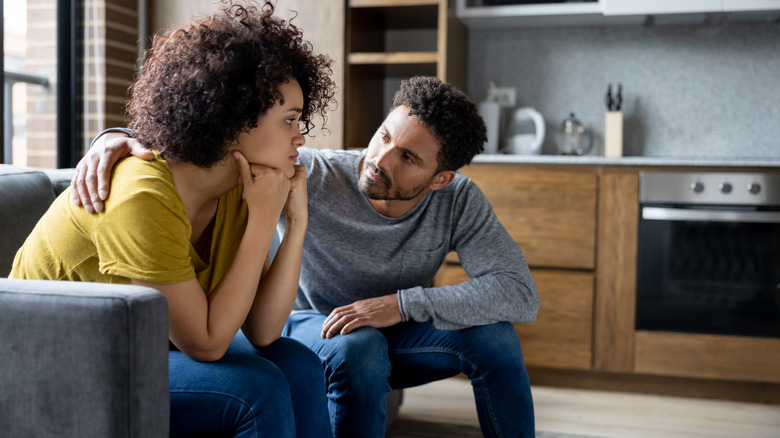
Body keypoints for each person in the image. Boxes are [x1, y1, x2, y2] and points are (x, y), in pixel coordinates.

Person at [75, 76, 540, 437]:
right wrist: (114, 138)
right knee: (359, 348)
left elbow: (519, 293)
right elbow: (205, 141)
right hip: (311, 326)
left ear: (441, 179)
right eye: (383, 137)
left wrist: (397, 305)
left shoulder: (459, 200)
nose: (381, 159)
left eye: (409, 159)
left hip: (398, 332)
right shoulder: (314, 173)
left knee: (495, 339)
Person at [10, 1, 336, 437]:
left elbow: (263, 329)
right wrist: (262, 221)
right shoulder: (141, 192)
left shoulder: (241, 188)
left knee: (299, 363)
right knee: (253, 389)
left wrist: (294, 223)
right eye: (289, 120)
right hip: (52, 361)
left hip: (139, 346)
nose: (301, 137)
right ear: (231, 116)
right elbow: (206, 344)